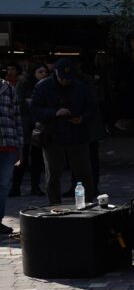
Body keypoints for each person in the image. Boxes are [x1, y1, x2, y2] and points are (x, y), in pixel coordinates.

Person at [30, 58, 97, 205]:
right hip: (53, 136)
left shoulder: (81, 87)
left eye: (69, 78)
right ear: (55, 73)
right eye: (63, 78)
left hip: (77, 135)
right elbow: (35, 109)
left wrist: (82, 118)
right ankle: (54, 205)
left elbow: (92, 107)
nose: (66, 81)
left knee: (84, 172)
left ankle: (87, 204)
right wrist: (54, 113)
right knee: (53, 173)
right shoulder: (43, 86)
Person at [10, 64, 47, 197]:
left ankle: (35, 187)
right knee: (22, 156)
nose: (43, 74)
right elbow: (18, 103)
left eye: (45, 72)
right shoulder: (23, 85)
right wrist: (27, 102)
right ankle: (15, 187)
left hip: (38, 125)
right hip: (25, 125)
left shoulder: (45, 86)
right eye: (40, 71)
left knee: (37, 157)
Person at [0, 72, 23, 233]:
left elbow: (17, 118)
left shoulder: (8, 88)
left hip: (9, 144)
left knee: (3, 185)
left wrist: (19, 146)